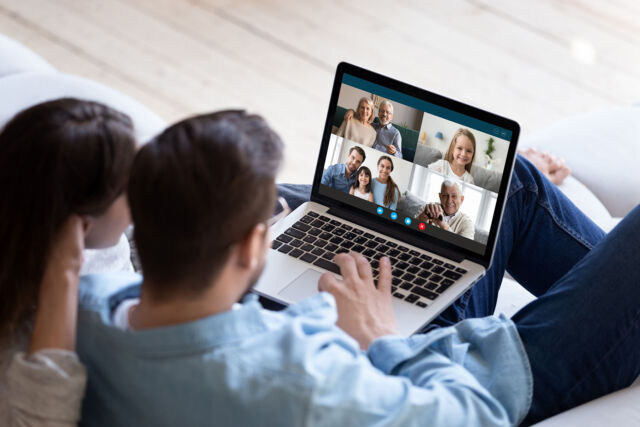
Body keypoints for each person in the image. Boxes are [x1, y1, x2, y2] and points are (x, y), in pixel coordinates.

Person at [75, 111, 640, 426]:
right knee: (514, 186)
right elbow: (475, 415)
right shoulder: (303, 387)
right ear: (252, 247)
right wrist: (377, 337)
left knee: (496, 192)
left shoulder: (88, 312)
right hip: (487, 370)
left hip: (340, 328)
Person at [0, 98, 137, 426]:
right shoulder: (20, 337)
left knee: (283, 195)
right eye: (130, 187)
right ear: (80, 225)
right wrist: (63, 273)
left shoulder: (96, 240)